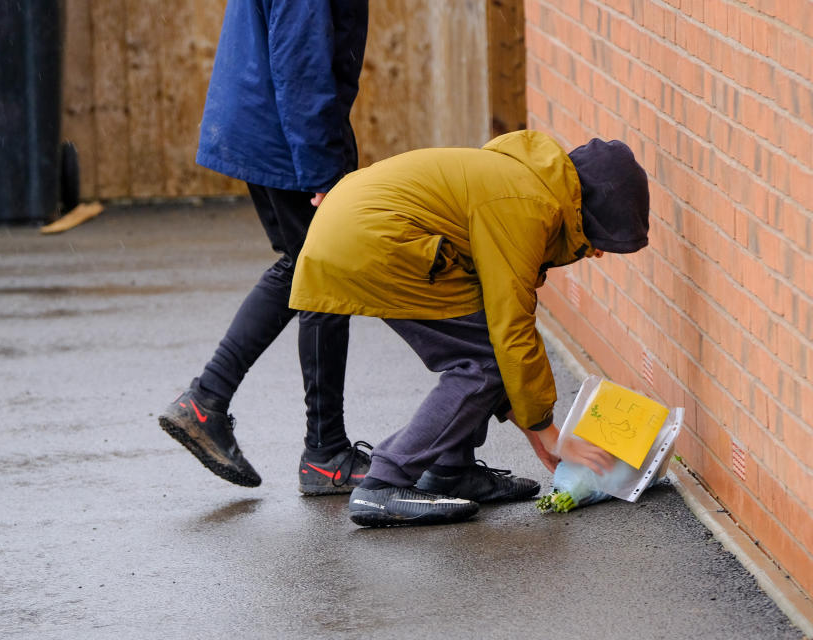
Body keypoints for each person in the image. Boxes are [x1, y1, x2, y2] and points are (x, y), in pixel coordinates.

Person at [289, 129, 650, 526]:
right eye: (599, 239)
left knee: (485, 347)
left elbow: (500, 325)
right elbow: (511, 326)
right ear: (589, 210)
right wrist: (548, 433)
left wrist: (538, 431)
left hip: (360, 225)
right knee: (485, 362)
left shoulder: (530, 180)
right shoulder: (528, 206)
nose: (597, 252)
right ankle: (383, 485)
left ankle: (451, 470)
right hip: (375, 239)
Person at [158, 0, 372, 495]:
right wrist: (322, 167)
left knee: (305, 266)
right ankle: (325, 453)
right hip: (286, 134)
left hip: (268, 125)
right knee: (326, 277)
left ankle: (205, 401)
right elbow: (301, 62)